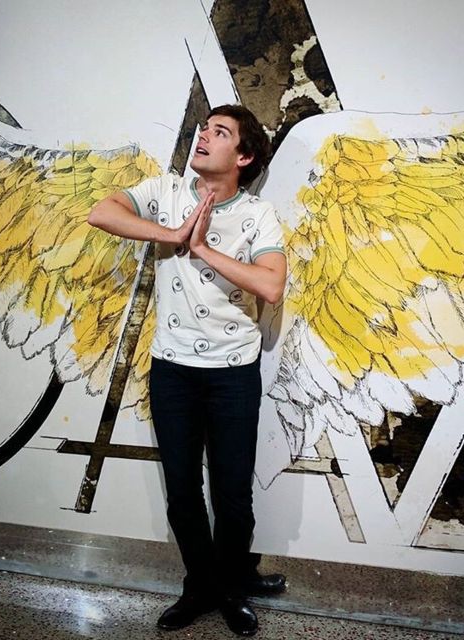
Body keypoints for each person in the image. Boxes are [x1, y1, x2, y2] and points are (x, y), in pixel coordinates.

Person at [88, 104, 287, 636]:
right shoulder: (166, 191)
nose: (204, 136)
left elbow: (270, 286)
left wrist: (200, 248)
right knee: (181, 490)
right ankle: (201, 586)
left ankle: (230, 586)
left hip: (232, 372)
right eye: (204, 129)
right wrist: (174, 232)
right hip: (172, 370)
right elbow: (101, 212)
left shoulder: (259, 214)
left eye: (220, 132)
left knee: (232, 494)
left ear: (243, 156)